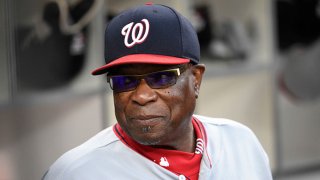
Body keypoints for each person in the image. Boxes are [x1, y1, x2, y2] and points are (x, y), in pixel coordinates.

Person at [43, 3, 272, 180]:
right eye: (125, 81)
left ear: (196, 79)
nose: (141, 96)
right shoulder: (75, 173)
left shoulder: (241, 143)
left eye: (162, 77)